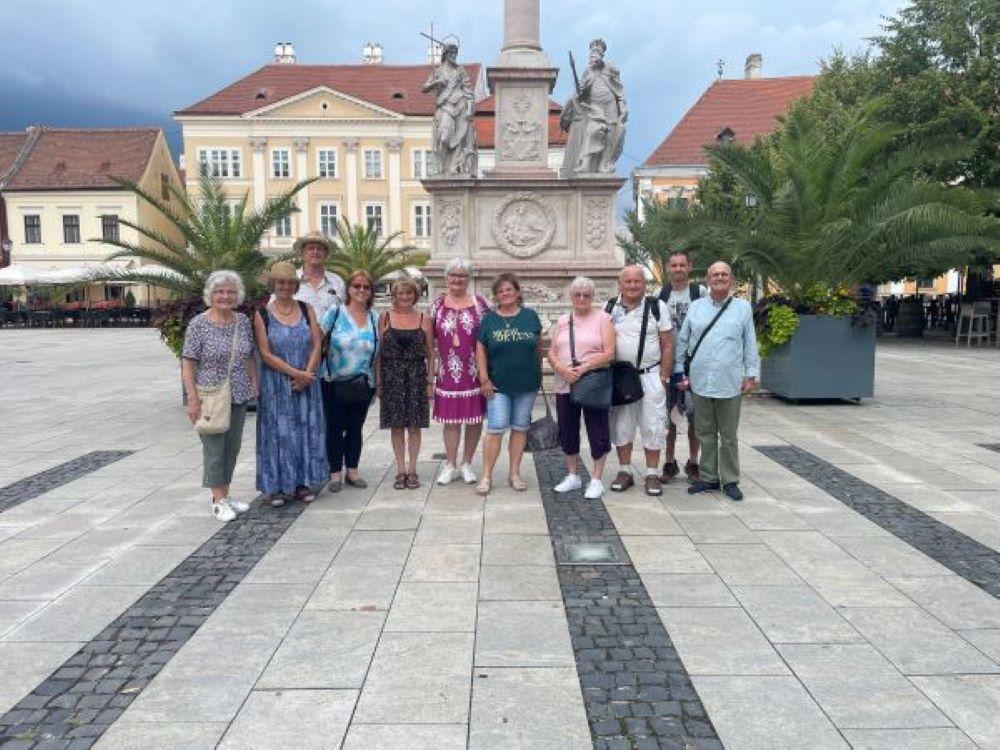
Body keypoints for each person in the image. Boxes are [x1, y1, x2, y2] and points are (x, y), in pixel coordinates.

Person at [675, 261, 758, 502]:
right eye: (715, 274)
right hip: (700, 380)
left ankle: (730, 480)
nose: (720, 277)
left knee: (729, 434)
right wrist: (680, 371)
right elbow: (683, 341)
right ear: (708, 280)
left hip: (729, 381)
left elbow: (749, 342)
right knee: (705, 432)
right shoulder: (696, 307)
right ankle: (709, 477)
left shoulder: (743, 309)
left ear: (731, 280)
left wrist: (750, 374)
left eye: (724, 274)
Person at [182, 270, 258, 522]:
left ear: (238, 296)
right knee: (215, 448)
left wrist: (254, 385)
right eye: (219, 291)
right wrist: (192, 399)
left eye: (230, 292)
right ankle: (217, 500)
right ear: (210, 295)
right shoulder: (198, 324)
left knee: (232, 447)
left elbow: (248, 356)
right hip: (210, 395)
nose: (225, 296)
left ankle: (225, 495)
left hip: (237, 394)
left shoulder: (242, 322)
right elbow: (188, 362)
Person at [253, 262, 328, 507]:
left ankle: (302, 482)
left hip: (306, 382)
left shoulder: (307, 310)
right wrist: (296, 373)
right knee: (278, 434)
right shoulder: (262, 314)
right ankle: (276, 486)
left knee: (305, 430)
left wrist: (307, 374)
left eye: (289, 283)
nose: (285, 286)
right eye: (280, 282)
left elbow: (317, 343)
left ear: (296, 286)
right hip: (277, 384)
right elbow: (265, 353)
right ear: (273, 286)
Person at [605, 266, 673, 496]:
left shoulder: (657, 307)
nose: (633, 285)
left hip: (650, 375)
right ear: (620, 284)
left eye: (638, 281)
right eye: (628, 281)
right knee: (621, 424)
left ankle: (652, 473)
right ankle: (625, 471)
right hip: (621, 378)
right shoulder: (609, 307)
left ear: (644, 284)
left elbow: (667, 344)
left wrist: (664, 377)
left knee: (652, 424)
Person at [547, 276, 616, 499]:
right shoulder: (562, 320)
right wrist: (561, 368)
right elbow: (551, 352)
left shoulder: (603, 319)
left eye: (587, 295)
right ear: (571, 296)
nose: (582, 298)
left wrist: (583, 368)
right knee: (567, 429)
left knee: (597, 428)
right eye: (577, 294)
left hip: (592, 383)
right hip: (565, 383)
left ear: (593, 297)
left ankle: (596, 478)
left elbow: (609, 353)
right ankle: (573, 475)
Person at [475, 273, 543, 495]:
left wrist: (538, 375)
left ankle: (514, 472)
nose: (505, 293)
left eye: (509, 289)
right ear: (496, 296)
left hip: (526, 383)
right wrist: (484, 378)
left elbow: (538, 347)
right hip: (498, 385)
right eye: (501, 291)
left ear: (517, 292)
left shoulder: (531, 316)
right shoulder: (489, 320)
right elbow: (480, 351)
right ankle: (486, 475)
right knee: (495, 427)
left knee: (520, 427)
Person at [430, 258, 490, 485]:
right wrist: (430, 375)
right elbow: (428, 342)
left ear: (469, 278)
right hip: (447, 373)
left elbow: (488, 339)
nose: (457, 279)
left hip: (474, 372)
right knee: (451, 421)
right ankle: (451, 463)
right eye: (453, 275)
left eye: (462, 275)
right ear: (446, 278)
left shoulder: (480, 304)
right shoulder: (436, 305)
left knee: (474, 419)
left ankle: (467, 463)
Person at [320, 269, 378, 492]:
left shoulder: (374, 317)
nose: (361, 290)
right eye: (357, 286)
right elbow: (318, 342)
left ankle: (352, 470)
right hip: (333, 380)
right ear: (349, 289)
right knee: (334, 427)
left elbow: (378, 353)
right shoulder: (335, 313)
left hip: (363, 382)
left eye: (366, 287)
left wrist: (378, 382)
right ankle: (335, 473)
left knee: (355, 427)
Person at [376, 278, 433, 490]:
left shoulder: (424, 319)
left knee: (415, 425)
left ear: (415, 295)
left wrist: (430, 380)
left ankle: (413, 469)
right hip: (392, 375)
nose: (405, 297)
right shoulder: (385, 317)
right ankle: (400, 470)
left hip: (416, 375)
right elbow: (378, 353)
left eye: (409, 293)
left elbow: (430, 353)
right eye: (401, 293)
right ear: (395, 296)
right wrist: (379, 382)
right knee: (397, 425)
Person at [658, 250, 706, 483]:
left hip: (693, 364)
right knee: (666, 417)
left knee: (694, 416)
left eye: (682, 265)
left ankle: (693, 462)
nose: (678, 269)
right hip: (666, 364)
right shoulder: (660, 294)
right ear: (668, 268)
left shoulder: (700, 292)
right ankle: (669, 462)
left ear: (690, 267)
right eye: (674, 265)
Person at [290, 230, 346, 319]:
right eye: (311, 248)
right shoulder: (290, 279)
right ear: (302, 253)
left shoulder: (337, 282)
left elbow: (345, 313)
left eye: (320, 249)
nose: (315, 252)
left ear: (326, 254)